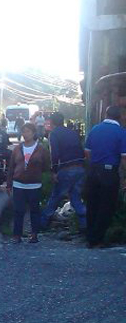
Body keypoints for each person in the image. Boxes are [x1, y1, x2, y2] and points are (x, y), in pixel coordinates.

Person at [84, 106, 126, 248]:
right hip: (109, 172)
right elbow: (124, 158)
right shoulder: (121, 132)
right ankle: (98, 239)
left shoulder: (95, 129)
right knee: (106, 206)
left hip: (93, 171)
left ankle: (90, 238)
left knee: (92, 204)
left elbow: (87, 152)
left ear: (106, 114)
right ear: (120, 116)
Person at [41, 112, 87, 231]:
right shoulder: (73, 133)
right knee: (76, 197)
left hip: (66, 168)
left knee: (56, 196)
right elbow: (81, 150)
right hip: (80, 167)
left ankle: (42, 223)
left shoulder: (54, 134)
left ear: (52, 122)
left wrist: (54, 171)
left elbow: (54, 154)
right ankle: (85, 225)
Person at [6, 123, 50, 243]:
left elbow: (46, 166)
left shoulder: (41, 149)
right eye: (23, 131)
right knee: (18, 210)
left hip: (34, 184)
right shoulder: (17, 149)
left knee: (34, 210)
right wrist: (9, 184)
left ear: (34, 133)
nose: (25, 134)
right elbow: (11, 167)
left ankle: (34, 234)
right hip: (18, 184)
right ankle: (17, 235)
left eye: (28, 131)